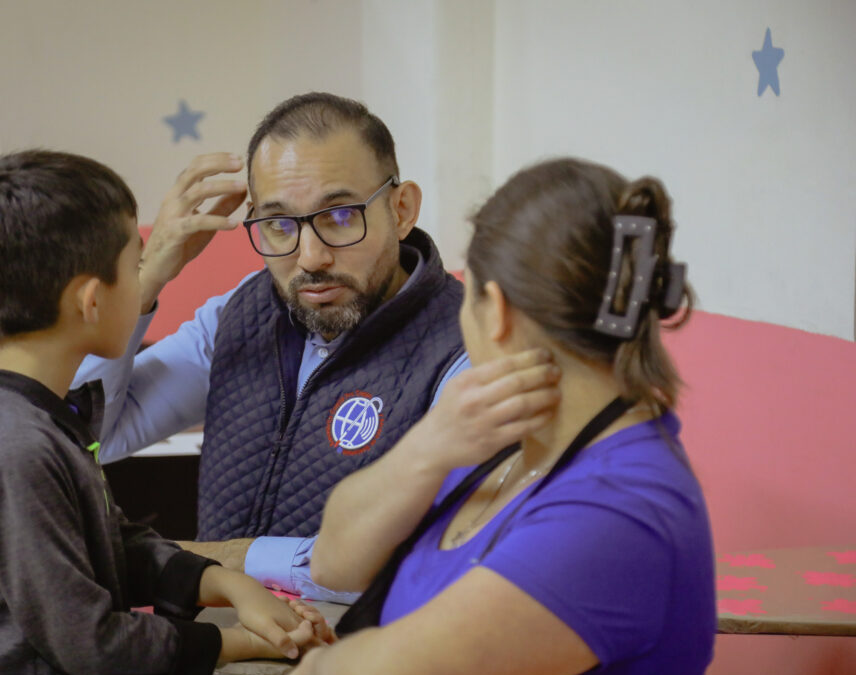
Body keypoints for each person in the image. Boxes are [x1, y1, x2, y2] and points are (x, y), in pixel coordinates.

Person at [75, 92, 560, 601]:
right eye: (279, 224)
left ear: (401, 210)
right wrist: (145, 277)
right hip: (207, 655)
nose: (311, 257)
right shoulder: (239, 316)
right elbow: (93, 433)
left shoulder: (466, 350)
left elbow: (436, 566)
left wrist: (234, 558)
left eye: (341, 217)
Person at [287, 157, 717, 675]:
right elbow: (332, 564)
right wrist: (429, 447)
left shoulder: (618, 509)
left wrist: (321, 666)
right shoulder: (505, 439)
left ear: (497, 310)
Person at [0, 150, 328, 675]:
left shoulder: (25, 408)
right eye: (135, 265)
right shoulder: (16, 449)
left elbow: (107, 547)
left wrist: (228, 584)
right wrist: (236, 642)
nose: (146, 278)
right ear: (92, 301)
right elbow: (93, 644)